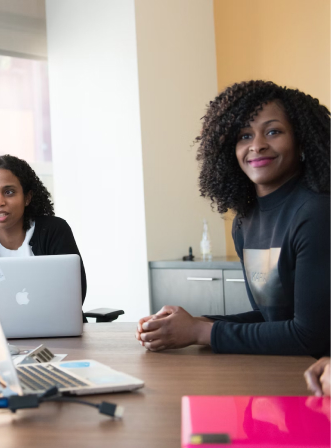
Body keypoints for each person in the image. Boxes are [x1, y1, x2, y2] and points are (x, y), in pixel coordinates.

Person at [135, 80, 330, 357]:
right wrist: (193, 324)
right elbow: (271, 320)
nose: (257, 145)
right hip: (286, 375)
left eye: (273, 131)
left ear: (301, 140)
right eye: (244, 136)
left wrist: (200, 332)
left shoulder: (318, 213)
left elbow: (310, 337)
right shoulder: (245, 221)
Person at [0, 155, 87, 325]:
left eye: (9, 192)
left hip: (54, 332)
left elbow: (74, 295)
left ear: (27, 197)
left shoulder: (53, 230)